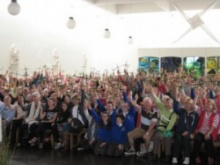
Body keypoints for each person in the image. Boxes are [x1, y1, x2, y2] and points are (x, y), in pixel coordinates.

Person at [150, 86, 177, 162]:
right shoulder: (163, 108)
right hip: (160, 129)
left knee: (167, 138)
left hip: (169, 130)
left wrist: (164, 133)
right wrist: (153, 93)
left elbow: (170, 126)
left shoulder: (174, 114)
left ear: (172, 104)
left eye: (169, 103)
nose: (167, 104)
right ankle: (155, 154)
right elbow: (157, 101)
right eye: (167, 103)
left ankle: (167, 155)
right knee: (156, 137)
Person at [194, 99, 219, 165]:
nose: (207, 105)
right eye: (207, 104)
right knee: (197, 139)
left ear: (213, 106)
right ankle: (196, 156)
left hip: (210, 131)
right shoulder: (202, 111)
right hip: (201, 131)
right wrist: (197, 97)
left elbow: (214, 125)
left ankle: (210, 157)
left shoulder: (216, 114)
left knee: (208, 140)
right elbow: (194, 107)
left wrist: (208, 133)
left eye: (209, 104)